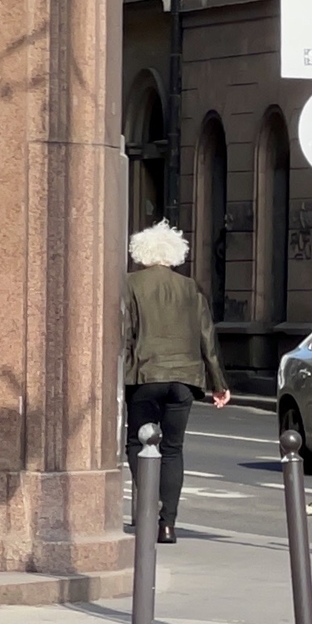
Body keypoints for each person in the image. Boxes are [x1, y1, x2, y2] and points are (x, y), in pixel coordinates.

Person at [121, 221, 231, 545]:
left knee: (137, 442)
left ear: (140, 251)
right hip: (184, 380)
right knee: (172, 449)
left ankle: (147, 505)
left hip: (143, 376)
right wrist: (218, 384)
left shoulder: (129, 284)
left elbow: (124, 333)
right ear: (175, 253)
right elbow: (207, 338)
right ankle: (167, 524)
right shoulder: (191, 288)